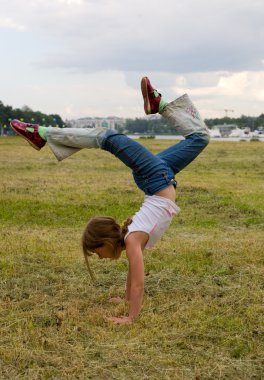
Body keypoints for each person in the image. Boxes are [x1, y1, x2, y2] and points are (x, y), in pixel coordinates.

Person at [10, 77, 210, 325]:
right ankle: (158, 103)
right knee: (199, 138)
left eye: (96, 251)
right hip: (157, 180)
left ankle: (41, 134)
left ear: (106, 241)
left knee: (107, 137)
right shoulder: (132, 239)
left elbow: (138, 283)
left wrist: (130, 317)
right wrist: (126, 299)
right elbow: (134, 277)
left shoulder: (133, 238)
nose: (99, 257)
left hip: (156, 179)